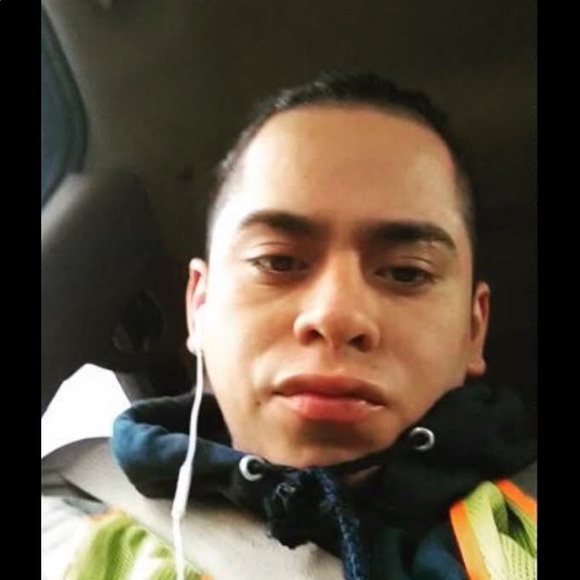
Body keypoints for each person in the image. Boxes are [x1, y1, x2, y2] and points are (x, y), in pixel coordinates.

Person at [85, 72, 536, 579]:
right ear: (200, 307)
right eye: (277, 262)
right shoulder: (76, 541)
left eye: (407, 272)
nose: (335, 316)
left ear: (473, 331)